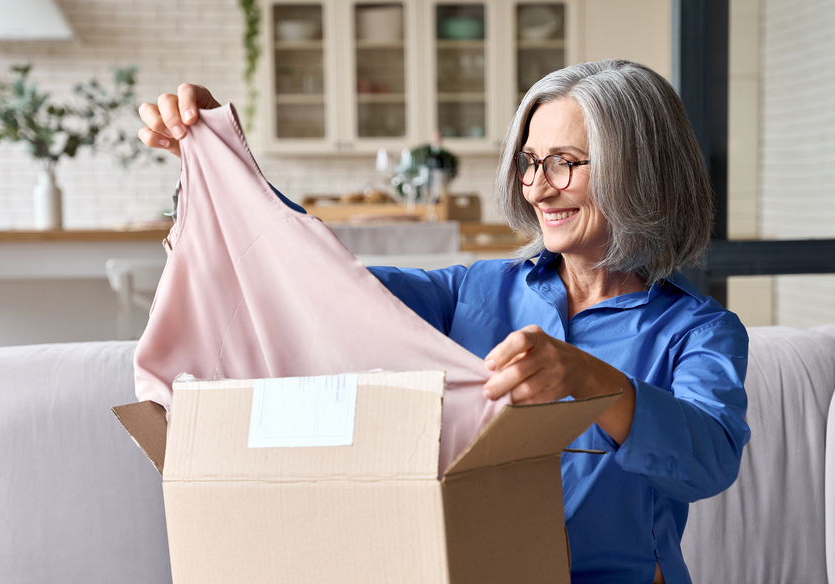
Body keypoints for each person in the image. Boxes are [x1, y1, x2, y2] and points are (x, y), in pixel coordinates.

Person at [138, 60, 750, 584]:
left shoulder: (698, 332)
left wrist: (587, 380)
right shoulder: (471, 293)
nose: (539, 188)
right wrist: (226, 163)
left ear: (639, 170)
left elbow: (710, 460)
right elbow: (320, 282)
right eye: (529, 162)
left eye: (564, 162)